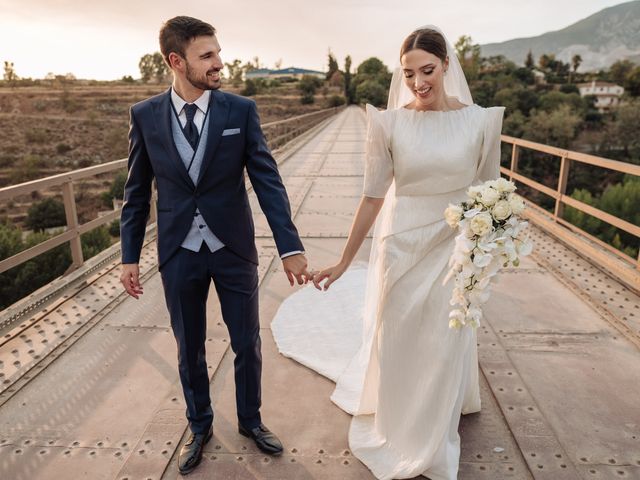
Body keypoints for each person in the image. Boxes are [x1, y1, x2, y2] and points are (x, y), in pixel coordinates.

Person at [272, 25, 505, 479]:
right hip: (402, 245)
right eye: (409, 73)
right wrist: (343, 260)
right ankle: (399, 423)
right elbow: (373, 197)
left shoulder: (481, 121)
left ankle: (432, 434)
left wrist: (485, 250)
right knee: (400, 337)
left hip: (455, 249)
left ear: (447, 67)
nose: (419, 82)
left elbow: (489, 191)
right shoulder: (389, 124)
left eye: (428, 70)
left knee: (443, 340)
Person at [119, 16, 312, 475]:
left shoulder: (239, 111)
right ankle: (200, 424)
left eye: (218, 53)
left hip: (233, 249)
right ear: (176, 61)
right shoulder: (144, 116)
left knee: (247, 340)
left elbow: (268, 181)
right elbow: (135, 191)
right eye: (207, 55)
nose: (219, 63)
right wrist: (128, 256)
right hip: (178, 252)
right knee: (190, 347)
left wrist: (290, 247)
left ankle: (250, 420)